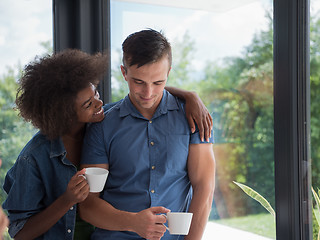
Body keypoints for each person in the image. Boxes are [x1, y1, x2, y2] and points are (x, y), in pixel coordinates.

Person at [2, 49, 212, 240]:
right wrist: (67, 200)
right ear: (64, 115)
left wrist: (189, 96)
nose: (99, 104)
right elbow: (20, 232)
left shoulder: (100, 123)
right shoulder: (34, 158)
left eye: (97, 95)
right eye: (88, 104)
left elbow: (147, 91)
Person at [78, 29, 216, 240]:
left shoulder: (194, 117)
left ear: (168, 72)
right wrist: (133, 222)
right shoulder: (103, 124)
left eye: (158, 83)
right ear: (124, 73)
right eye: (139, 82)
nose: (148, 93)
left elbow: (204, 188)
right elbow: (88, 206)